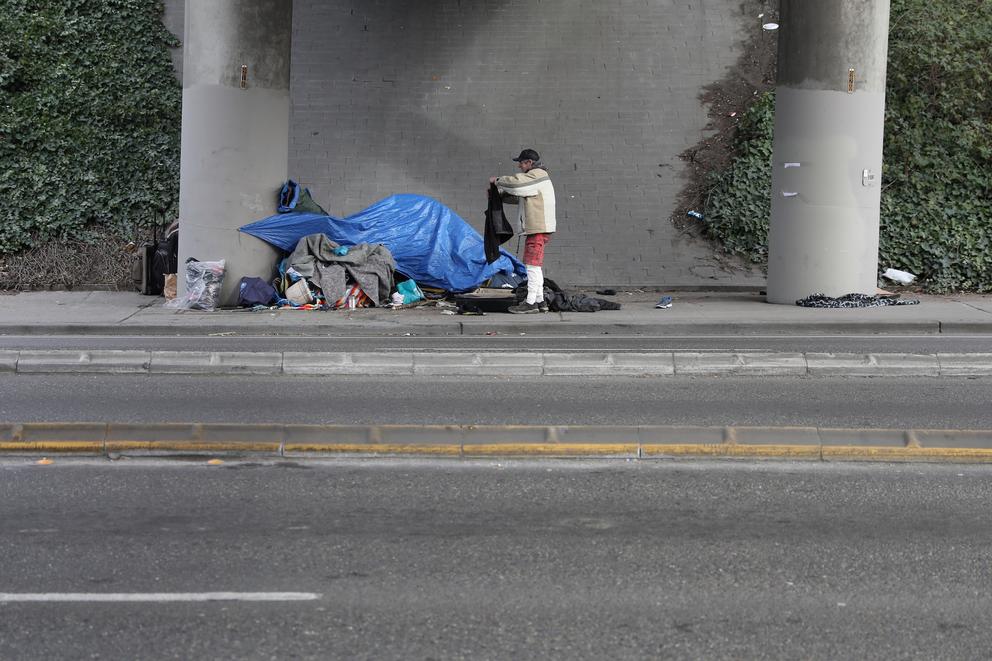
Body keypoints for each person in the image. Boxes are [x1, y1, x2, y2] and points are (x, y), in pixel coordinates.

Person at [489, 148, 557, 314]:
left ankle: (531, 303)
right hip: (540, 228)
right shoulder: (536, 180)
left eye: (521, 162)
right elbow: (519, 194)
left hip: (538, 229)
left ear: (529, 163)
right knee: (535, 266)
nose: (519, 166)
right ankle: (541, 302)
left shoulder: (537, 175)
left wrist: (497, 180)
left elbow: (518, 183)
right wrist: (499, 194)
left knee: (532, 265)